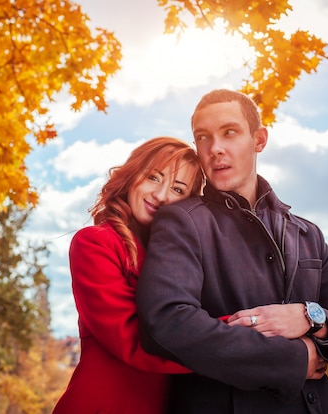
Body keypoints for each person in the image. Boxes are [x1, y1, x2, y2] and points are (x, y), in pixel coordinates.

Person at [136, 89, 328, 413]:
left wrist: (309, 315)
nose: (215, 148)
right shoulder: (182, 221)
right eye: (203, 137)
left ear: (259, 140)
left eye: (229, 132)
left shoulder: (308, 233)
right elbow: (166, 324)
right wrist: (294, 359)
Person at [52, 137, 205, 414]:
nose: (160, 195)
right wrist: (242, 332)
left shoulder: (183, 261)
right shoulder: (95, 242)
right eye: (153, 178)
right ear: (133, 176)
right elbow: (134, 339)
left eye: (177, 188)